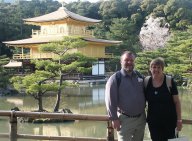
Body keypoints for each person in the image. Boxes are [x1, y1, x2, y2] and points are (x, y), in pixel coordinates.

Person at [105, 51, 146, 141]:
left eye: (132, 60)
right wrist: (114, 118)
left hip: (141, 118)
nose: (129, 62)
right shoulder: (115, 79)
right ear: (121, 62)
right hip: (124, 120)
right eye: (126, 60)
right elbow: (110, 101)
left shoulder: (139, 76)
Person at [145, 57, 182, 141]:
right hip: (153, 122)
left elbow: (177, 102)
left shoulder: (169, 81)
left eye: (159, 67)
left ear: (162, 69)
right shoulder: (146, 82)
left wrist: (179, 120)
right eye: (154, 67)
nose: (156, 69)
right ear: (150, 69)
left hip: (169, 121)